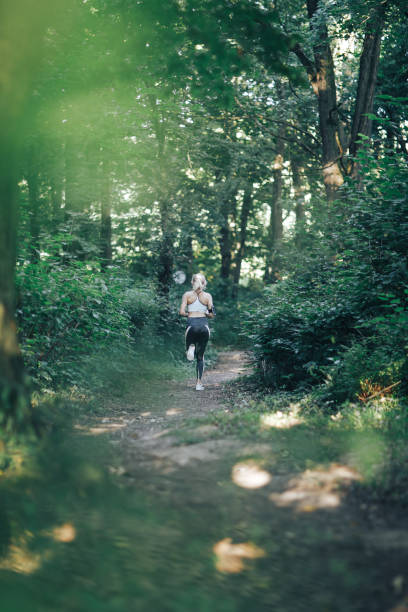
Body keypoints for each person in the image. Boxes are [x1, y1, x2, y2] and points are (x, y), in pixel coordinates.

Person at [179, 273, 215, 391]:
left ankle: (190, 346)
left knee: (189, 344)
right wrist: (204, 313)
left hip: (192, 325)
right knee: (201, 357)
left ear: (192, 283)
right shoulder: (208, 296)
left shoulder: (187, 295)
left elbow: (182, 312)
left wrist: (190, 313)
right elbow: (211, 314)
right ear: (204, 283)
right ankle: (199, 384)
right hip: (204, 327)